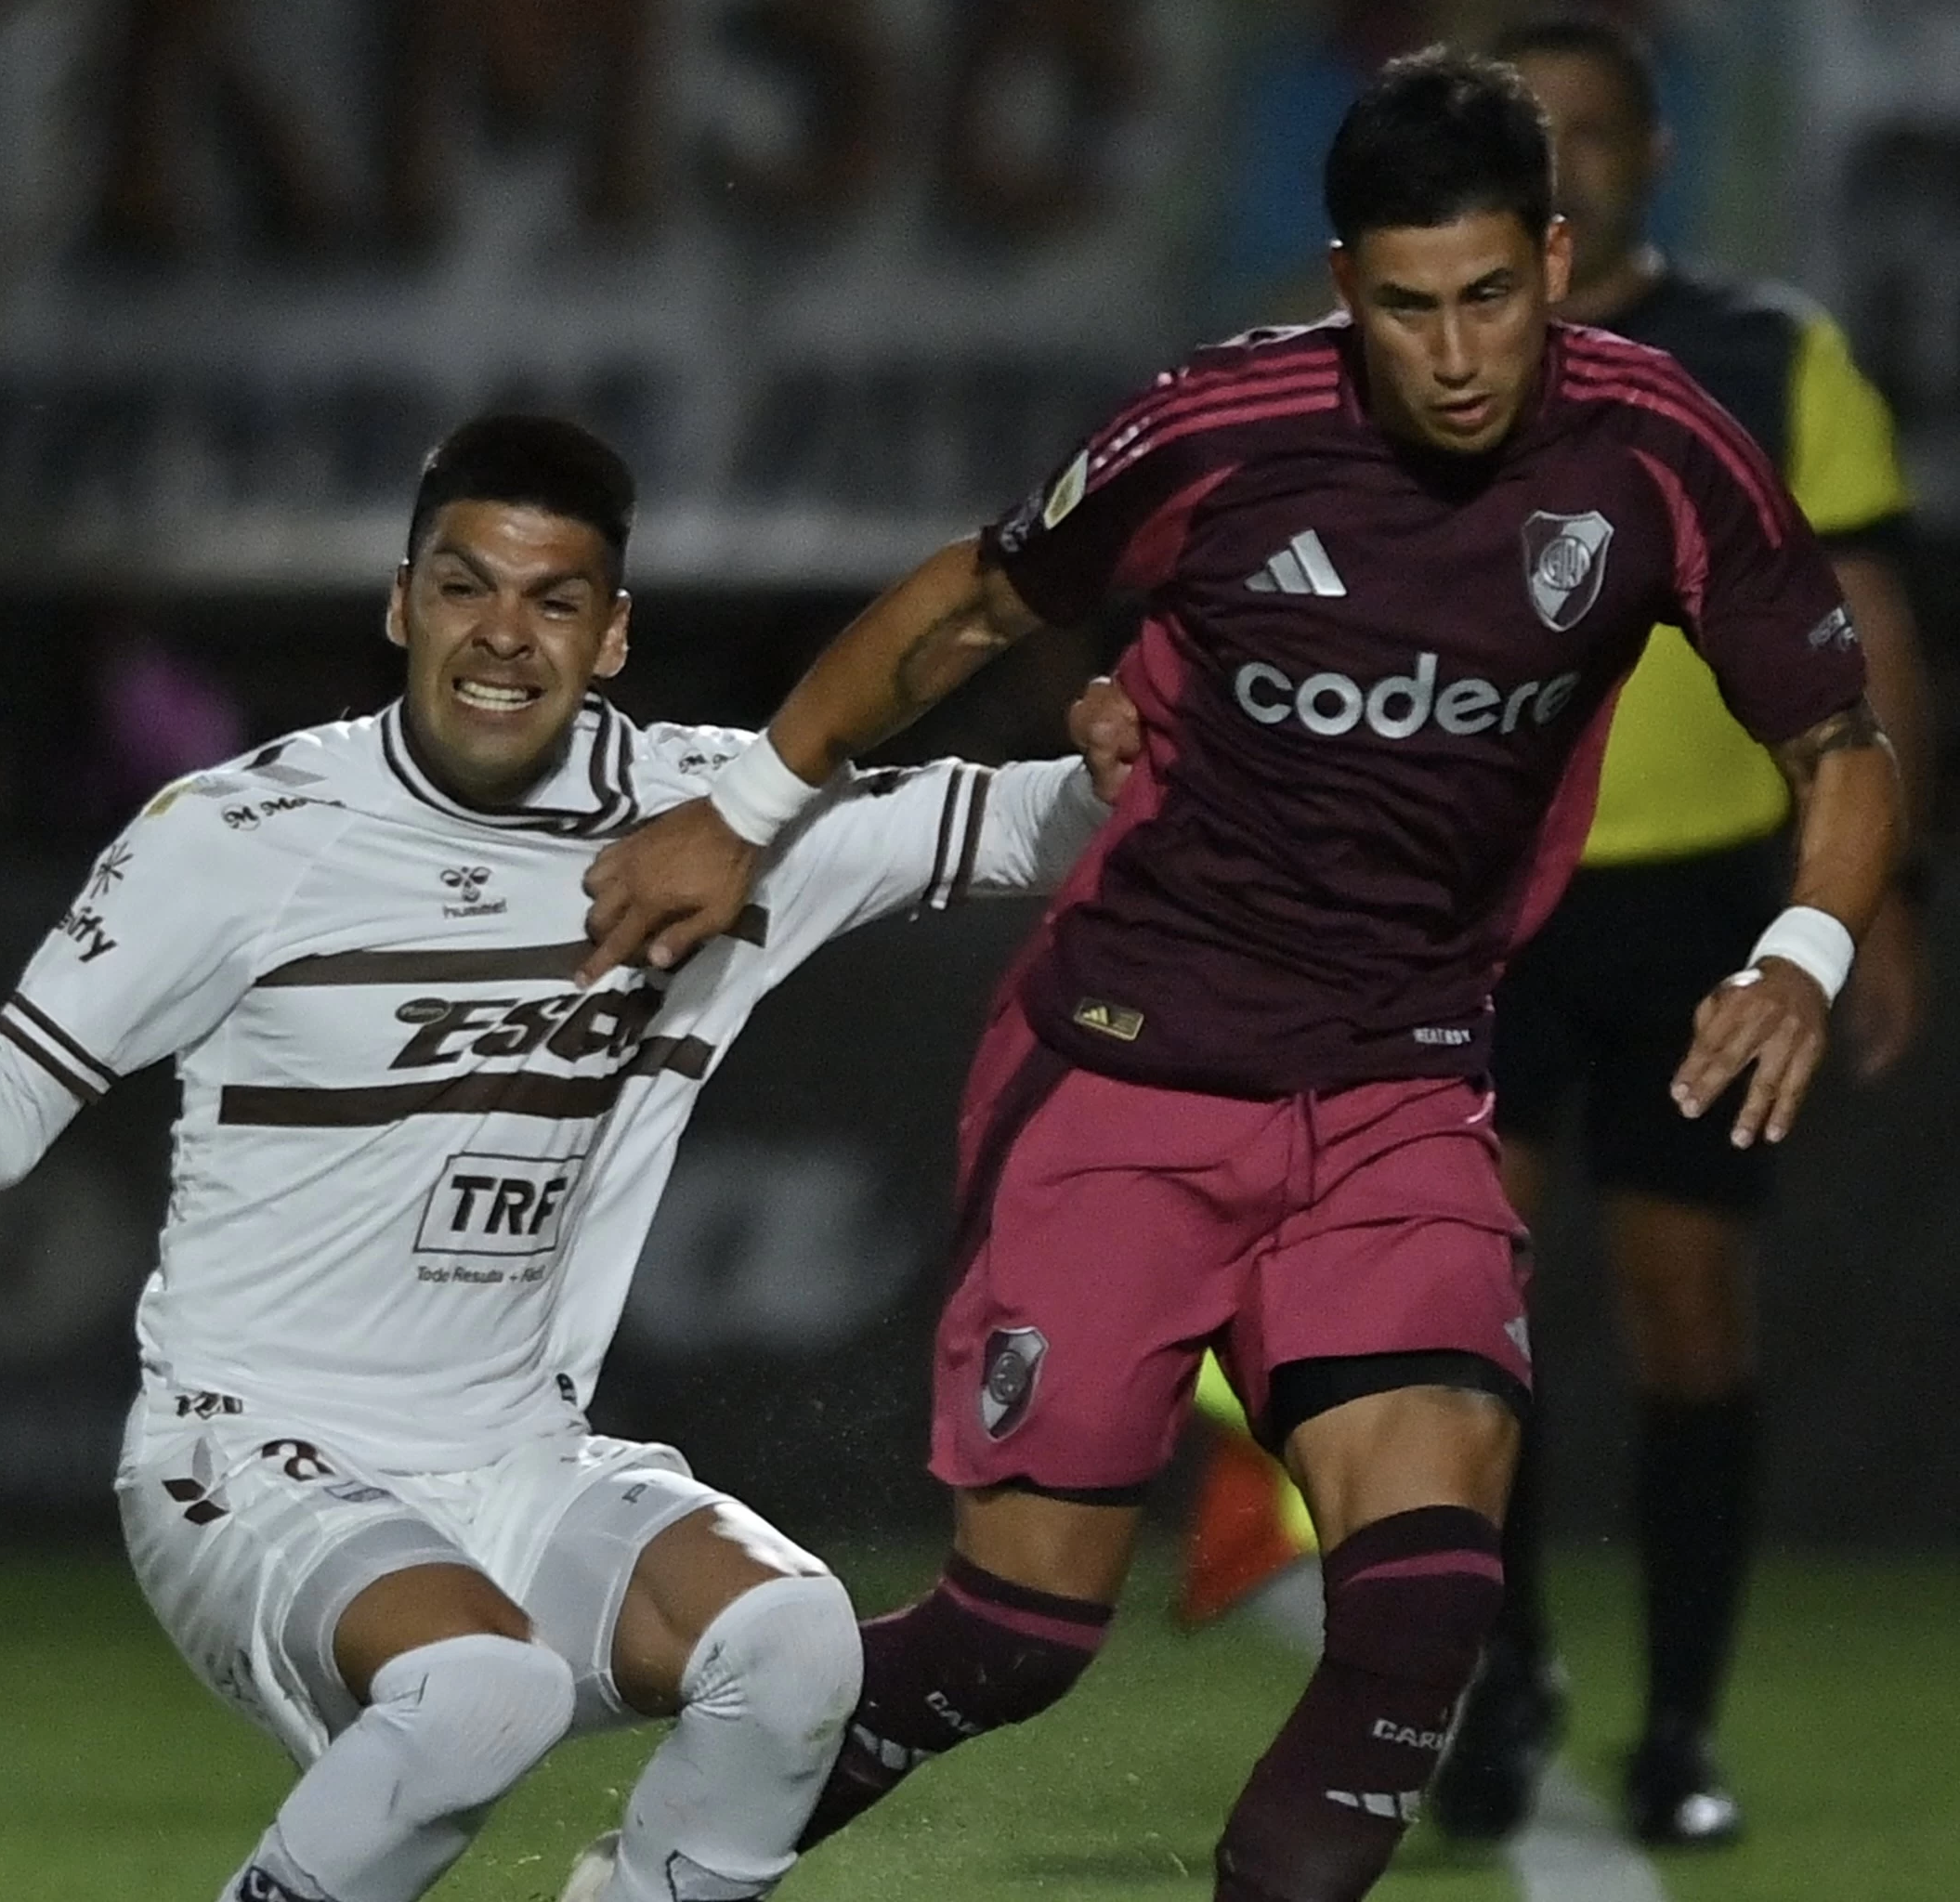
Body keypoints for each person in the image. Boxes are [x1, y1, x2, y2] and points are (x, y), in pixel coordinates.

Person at [567, 52, 1900, 1902]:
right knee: (1012, 1642)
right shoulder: (1219, 427)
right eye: (1409, 307)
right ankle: (663, 1869)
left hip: (1397, 1089)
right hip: (1129, 1072)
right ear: (1343, 285)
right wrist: (743, 809)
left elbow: (1836, 737)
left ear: (1555, 258)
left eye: (1491, 296)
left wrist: (1803, 950)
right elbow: (971, 602)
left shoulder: (1659, 447)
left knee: (1421, 1609)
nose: (1456, 355)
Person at [0, 415, 1124, 1902]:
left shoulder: (715, 821)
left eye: (554, 600)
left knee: (795, 1646)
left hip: (520, 1459)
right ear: (400, 604)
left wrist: (1113, 764)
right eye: (464, 586)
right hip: (245, 1458)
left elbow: (1039, 832)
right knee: (485, 1691)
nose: (503, 636)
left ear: (613, 635)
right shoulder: (241, 836)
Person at [1415, 14, 1940, 1848]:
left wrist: (1869, 893)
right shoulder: (1433, 350)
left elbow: (1868, 627)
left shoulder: (1765, 353)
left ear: (1653, 151)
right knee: (1459, 1311)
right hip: (1473, 898)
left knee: (1684, 1308)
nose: (1560, 159)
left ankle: (1679, 1729)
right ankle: (1499, 1690)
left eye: (1591, 128)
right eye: (1527, 130)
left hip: (1697, 901)